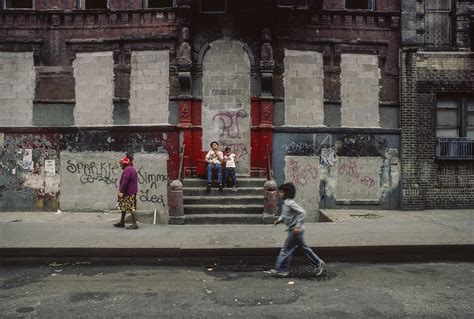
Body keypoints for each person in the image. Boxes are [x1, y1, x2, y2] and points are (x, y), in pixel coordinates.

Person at [266, 183, 325, 277]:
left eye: (281, 192)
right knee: (304, 248)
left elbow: (302, 212)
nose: (279, 194)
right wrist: (279, 220)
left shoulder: (290, 203)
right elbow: (285, 214)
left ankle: (279, 269)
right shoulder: (286, 203)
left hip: (295, 230)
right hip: (294, 230)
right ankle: (318, 262)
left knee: (286, 250)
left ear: (287, 193)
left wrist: (298, 226)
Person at [114, 157, 139, 230]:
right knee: (124, 207)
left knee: (131, 207)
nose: (120, 165)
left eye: (121, 164)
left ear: (124, 164)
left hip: (129, 192)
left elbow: (125, 181)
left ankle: (134, 224)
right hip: (131, 191)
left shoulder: (127, 170)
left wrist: (121, 191)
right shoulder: (131, 168)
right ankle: (122, 222)